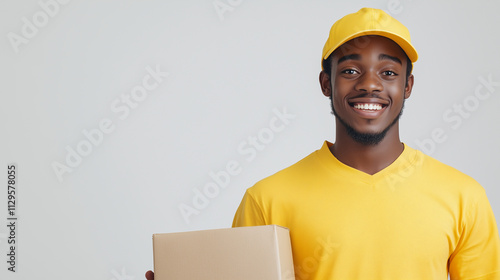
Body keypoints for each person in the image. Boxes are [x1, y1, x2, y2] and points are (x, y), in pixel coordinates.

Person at [146, 7, 500, 280]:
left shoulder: (464, 197)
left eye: (389, 72)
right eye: (349, 70)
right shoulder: (268, 199)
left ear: (407, 86)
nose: (370, 84)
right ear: (325, 84)